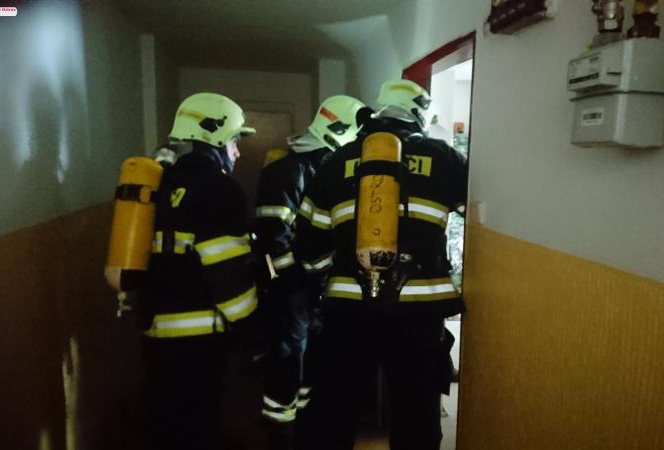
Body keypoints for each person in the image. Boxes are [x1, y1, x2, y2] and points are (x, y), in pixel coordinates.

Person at [293, 79, 467, 450]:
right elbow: (484, 219)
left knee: (334, 411)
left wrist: (332, 276)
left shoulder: (335, 161)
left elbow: (308, 246)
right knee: (416, 414)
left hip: (348, 312)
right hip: (419, 315)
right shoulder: (444, 158)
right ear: (419, 114)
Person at [136, 92, 259, 450]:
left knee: (166, 428)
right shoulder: (221, 189)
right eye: (235, 141)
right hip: (199, 341)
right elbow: (227, 276)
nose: (237, 152)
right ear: (215, 135)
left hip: (155, 332)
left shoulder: (161, 181)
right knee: (199, 427)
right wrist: (253, 328)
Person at [255, 95, 365, 450]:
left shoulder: (324, 169)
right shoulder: (288, 171)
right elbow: (273, 234)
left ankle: (305, 435)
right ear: (339, 130)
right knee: (288, 370)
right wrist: (294, 282)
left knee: (310, 372)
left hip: (315, 292)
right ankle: (279, 439)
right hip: (292, 295)